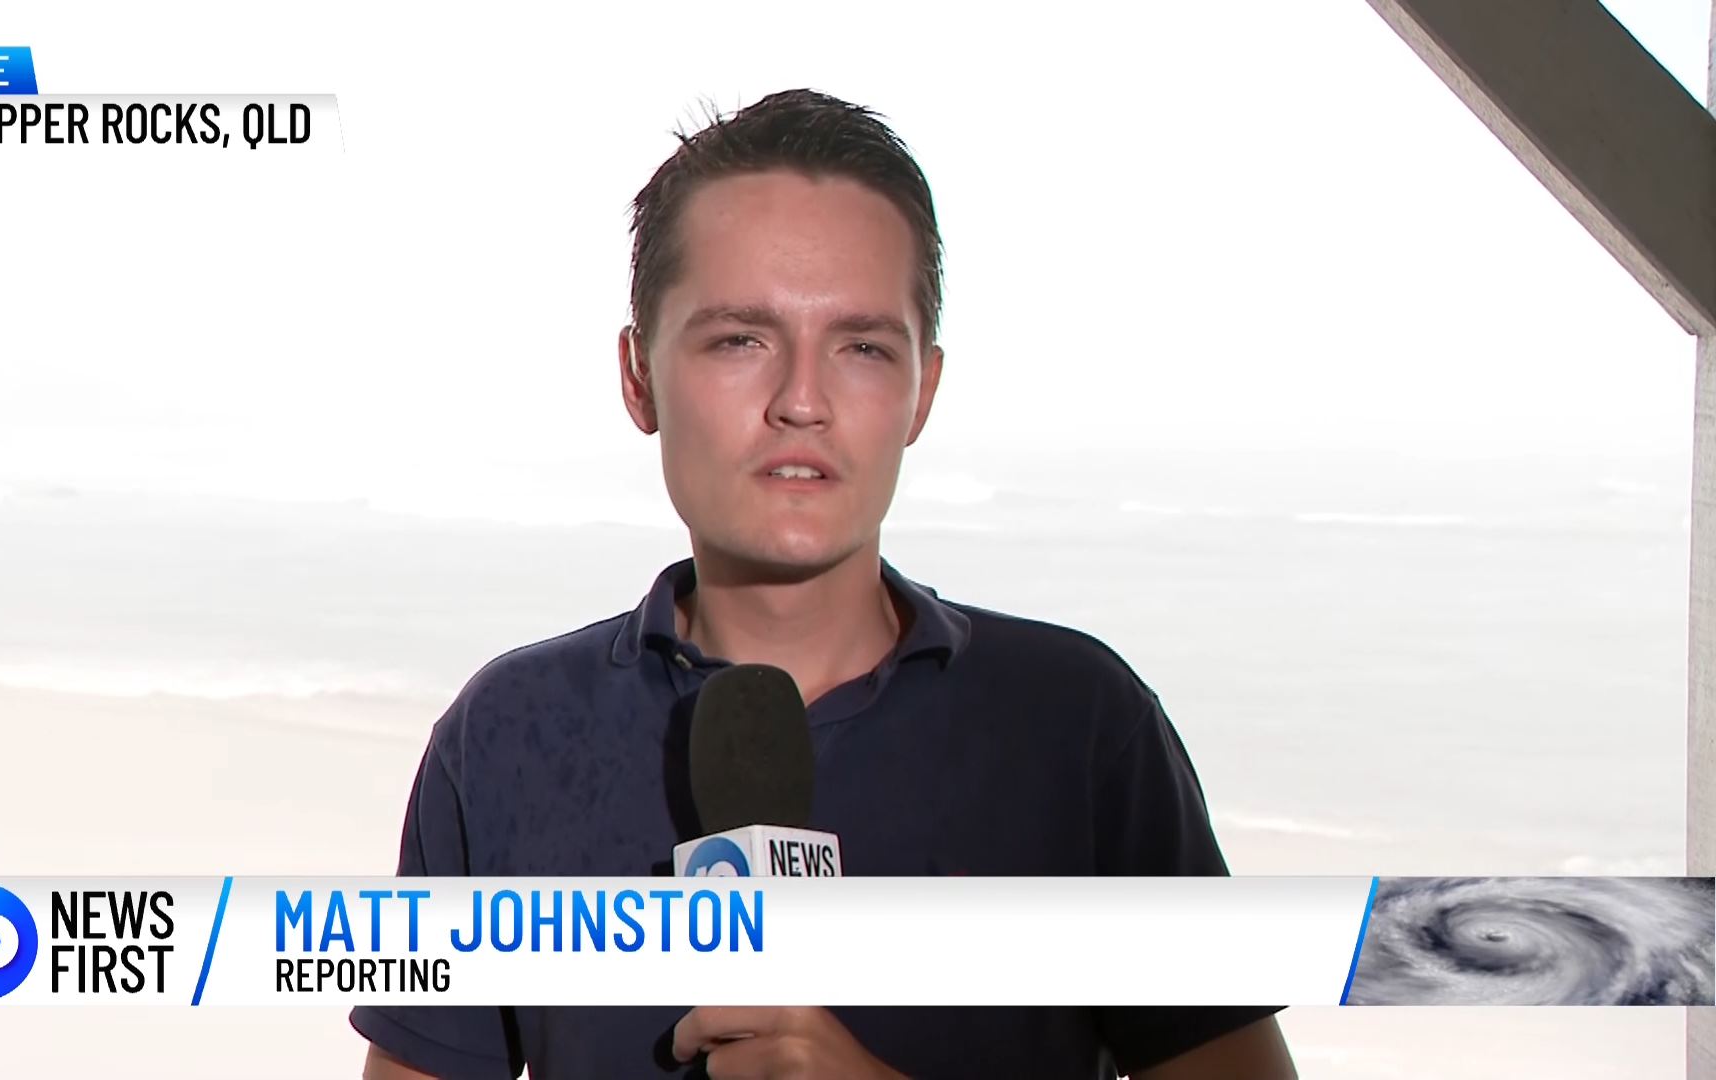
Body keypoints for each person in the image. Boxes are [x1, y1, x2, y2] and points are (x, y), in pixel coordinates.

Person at [352, 88, 1297, 1080]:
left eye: (862, 347)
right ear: (639, 376)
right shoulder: (506, 735)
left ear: (922, 392)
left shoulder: (1078, 724)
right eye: (740, 340)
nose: (802, 401)